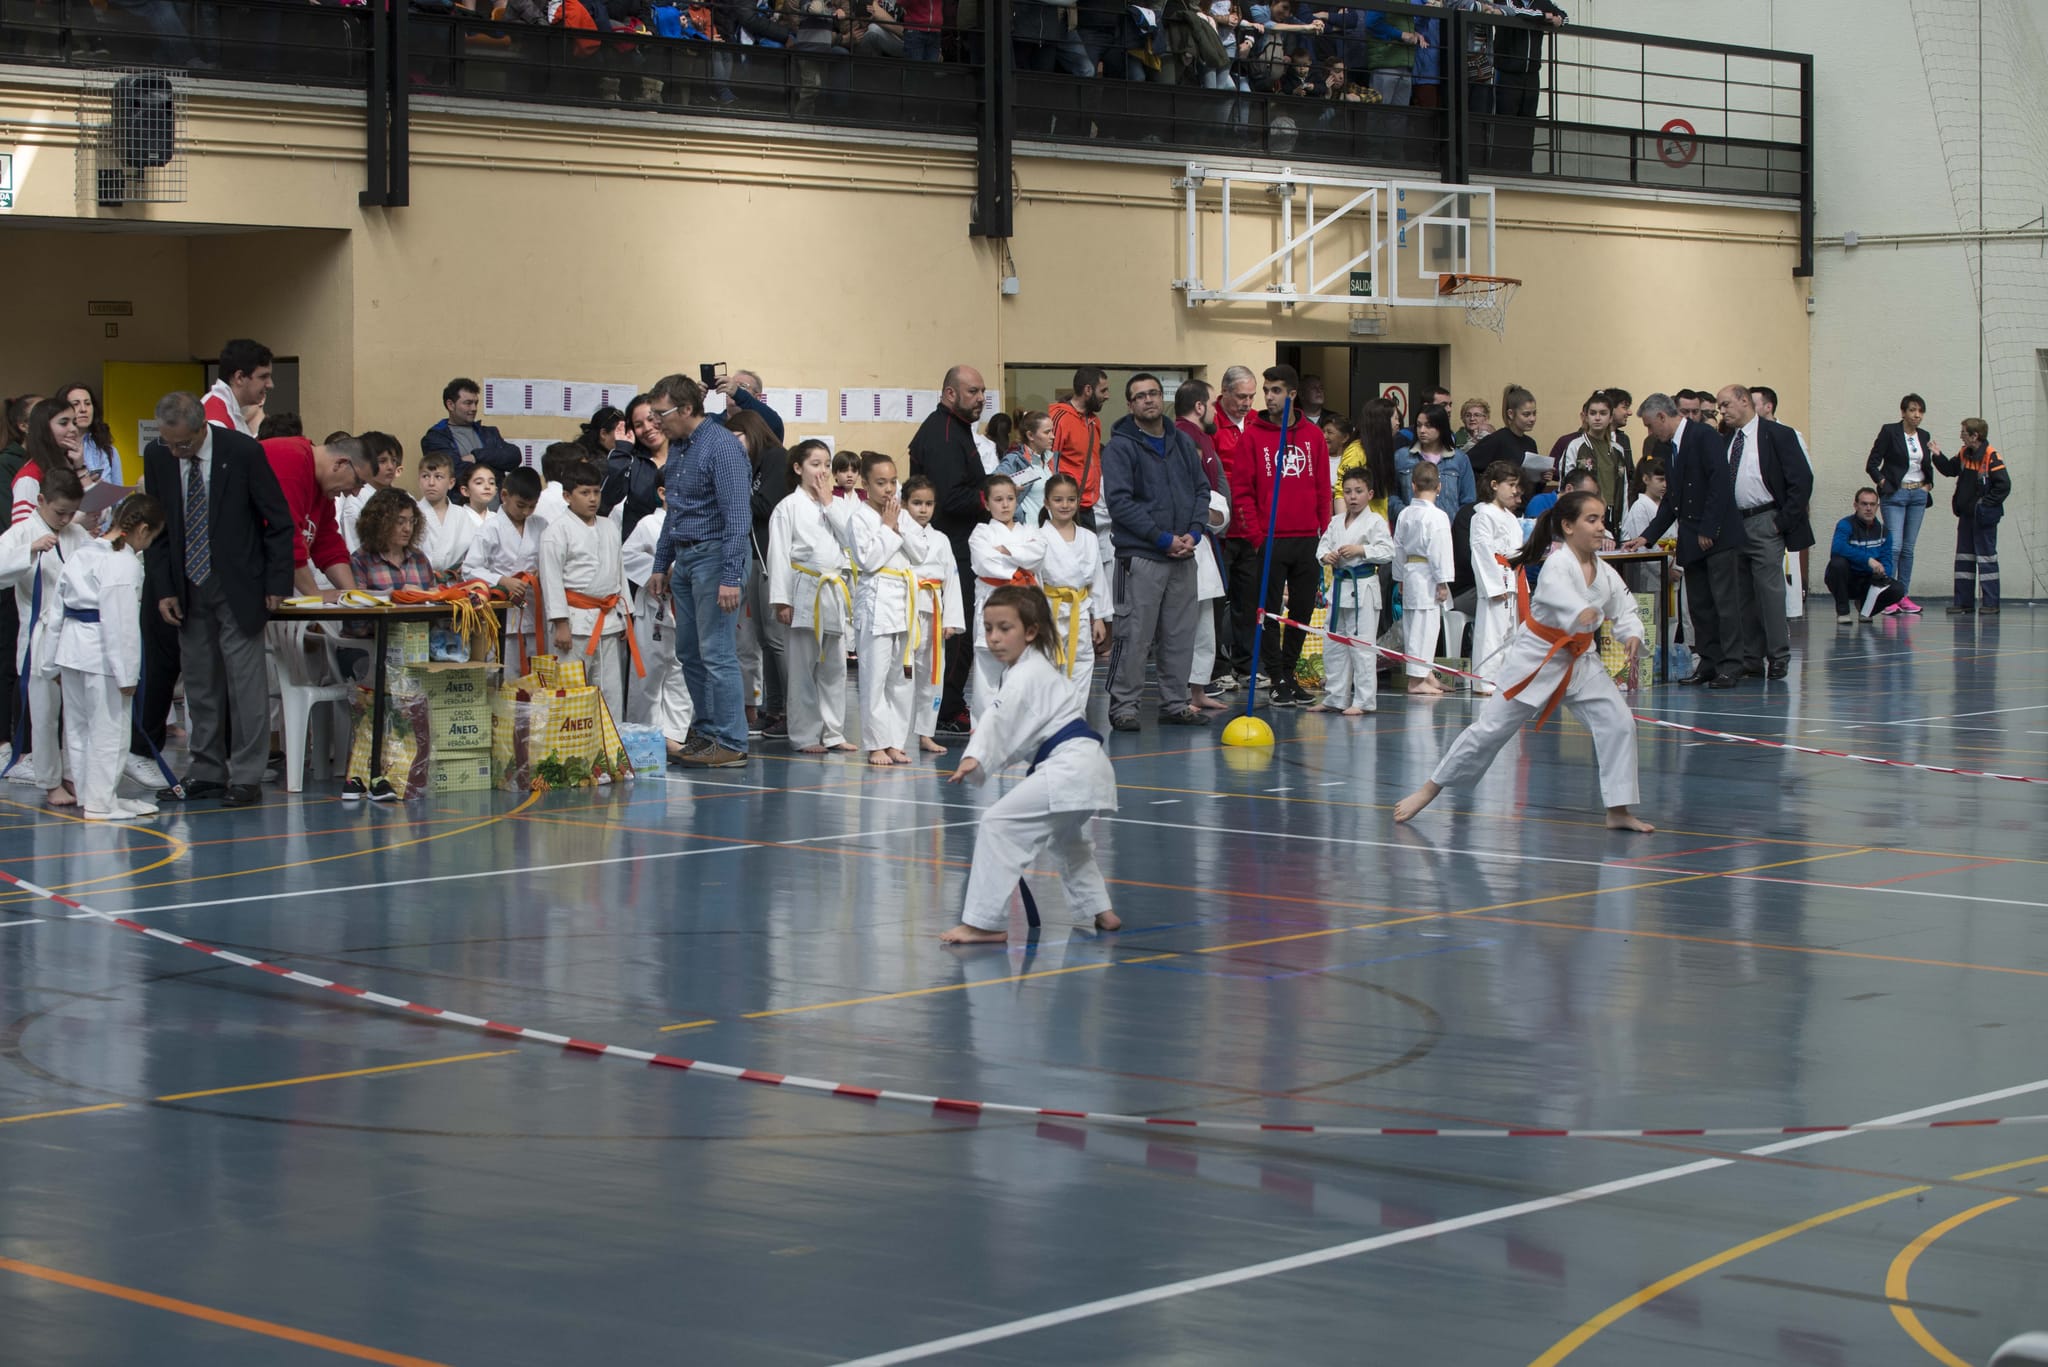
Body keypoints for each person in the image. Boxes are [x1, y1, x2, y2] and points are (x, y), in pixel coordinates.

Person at [1396, 490, 1654, 834]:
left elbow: (1624, 608)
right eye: (1591, 520)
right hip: (1536, 660)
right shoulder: (1557, 566)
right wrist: (1582, 612)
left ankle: (1618, 810)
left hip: (1580, 660)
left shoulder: (1604, 571)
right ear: (1568, 526)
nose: (1600, 527)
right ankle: (1430, 788)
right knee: (1490, 730)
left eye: (1602, 520)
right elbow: (1561, 598)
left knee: (1619, 723)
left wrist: (1631, 633)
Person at [938, 585, 1122, 945]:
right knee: (1068, 840)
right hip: (1090, 766)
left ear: (1031, 631)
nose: (994, 638)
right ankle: (1101, 908)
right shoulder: (1036, 669)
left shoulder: (1025, 675)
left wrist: (975, 756)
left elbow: (997, 718)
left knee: (997, 824)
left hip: (1068, 767)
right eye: (988, 628)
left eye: (1005, 628)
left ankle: (984, 923)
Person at [146, 391, 293, 807]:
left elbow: (278, 521)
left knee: (245, 684)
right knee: (199, 682)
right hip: (187, 585)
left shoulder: (242, 451)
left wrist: (277, 582)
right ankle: (206, 770)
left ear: (201, 429)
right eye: (168, 444)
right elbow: (156, 528)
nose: (175, 452)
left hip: (239, 583)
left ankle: (246, 775)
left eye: (183, 445)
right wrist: (164, 588)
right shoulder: (158, 455)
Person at [1102, 373, 1209, 730]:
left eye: (1154, 393)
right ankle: (1123, 707)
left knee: (1180, 636)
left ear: (1162, 398)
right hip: (1141, 557)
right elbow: (1120, 503)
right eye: (1140, 396)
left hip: (1184, 555)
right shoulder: (1120, 448)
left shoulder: (1182, 442)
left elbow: (1202, 490)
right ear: (1130, 404)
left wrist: (1194, 532)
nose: (1148, 400)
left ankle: (1175, 703)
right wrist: (1162, 539)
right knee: (1133, 636)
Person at [49, 493, 164, 822]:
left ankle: (92, 796)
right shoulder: (123, 562)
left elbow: (56, 609)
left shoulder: (83, 551)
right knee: (110, 730)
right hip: (102, 657)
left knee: (78, 730)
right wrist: (127, 674)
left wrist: (50, 660)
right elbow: (121, 623)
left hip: (71, 651)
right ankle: (102, 803)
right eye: (151, 538)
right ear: (142, 529)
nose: (147, 545)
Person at [1627, 392, 1744, 689]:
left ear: (1662, 417)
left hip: (1716, 535)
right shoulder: (1669, 448)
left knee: (1724, 603)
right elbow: (1672, 499)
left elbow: (1719, 483)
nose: (1650, 431)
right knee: (1700, 605)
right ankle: (1708, 662)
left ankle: (1731, 664)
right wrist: (1647, 536)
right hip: (1691, 536)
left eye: (1650, 425)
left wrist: (1709, 527)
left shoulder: (1704, 436)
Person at [1240, 365, 1332, 706]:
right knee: (1266, 611)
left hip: (1307, 539)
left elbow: (1322, 489)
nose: (1268, 397)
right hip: (1270, 539)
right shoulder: (1253, 435)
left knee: (1302, 611)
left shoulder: (1313, 436)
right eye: (1266, 390)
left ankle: (1290, 673)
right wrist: (1257, 536)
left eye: (1276, 390)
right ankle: (1275, 675)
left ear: (1292, 395)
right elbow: (1243, 492)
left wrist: (1324, 535)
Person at [907, 366, 990, 736]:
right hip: (948, 549)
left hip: (961, 545)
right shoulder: (941, 434)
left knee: (960, 630)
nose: (981, 398)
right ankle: (946, 708)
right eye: (973, 391)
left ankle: (947, 704)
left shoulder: (957, 429)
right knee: (956, 631)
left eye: (983, 392)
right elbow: (948, 498)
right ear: (950, 393)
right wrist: (991, 497)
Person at [0, 464, 90, 801]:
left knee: (77, 712)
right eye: (59, 512)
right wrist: (29, 550)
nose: (65, 519)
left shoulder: (77, 534)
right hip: (39, 635)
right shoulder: (21, 533)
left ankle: (73, 774)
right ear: (40, 500)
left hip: (76, 634)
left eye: (71, 513)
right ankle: (50, 781)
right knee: (44, 712)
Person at [830, 451, 924, 766]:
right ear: (865, 485)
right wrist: (888, 527)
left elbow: (921, 552)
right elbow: (869, 560)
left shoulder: (901, 514)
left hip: (903, 599)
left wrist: (897, 527)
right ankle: (876, 744)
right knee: (875, 676)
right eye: (881, 482)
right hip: (876, 598)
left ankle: (895, 741)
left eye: (893, 482)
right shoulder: (858, 517)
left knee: (901, 678)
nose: (888, 489)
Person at [1716, 383, 1813, 681]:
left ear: (1744, 401)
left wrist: (1781, 522)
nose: (1721, 411)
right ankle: (1751, 657)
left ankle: (1778, 655)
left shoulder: (1778, 435)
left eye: (1725, 405)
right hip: (1735, 522)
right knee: (1742, 593)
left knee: (1769, 592)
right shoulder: (1727, 439)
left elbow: (1802, 480)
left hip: (1765, 519)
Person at [768, 440, 855, 754]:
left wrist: (829, 503)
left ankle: (833, 732)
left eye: (827, 465)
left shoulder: (838, 505)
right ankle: (805, 734)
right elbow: (778, 555)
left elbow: (852, 541)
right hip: (804, 589)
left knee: (835, 666)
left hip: (834, 589)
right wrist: (782, 600)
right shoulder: (787, 507)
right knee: (803, 668)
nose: (823, 471)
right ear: (798, 468)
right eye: (815, 464)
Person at [541, 461, 636, 722]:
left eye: (596, 492)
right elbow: (551, 579)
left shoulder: (609, 526)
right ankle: (571, 741)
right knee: (571, 687)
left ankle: (611, 740)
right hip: (575, 621)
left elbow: (619, 571)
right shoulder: (556, 531)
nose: (592, 499)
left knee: (611, 689)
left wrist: (626, 613)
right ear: (567, 496)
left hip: (609, 617)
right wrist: (560, 623)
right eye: (584, 493)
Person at [725, 407, 788, 741]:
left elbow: (767, 506)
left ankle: (791, 710)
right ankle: (773, 709)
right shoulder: (748, 465)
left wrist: (733, 490)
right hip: (753, 557)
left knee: (777, 639)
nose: (733, 445)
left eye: (736, 437)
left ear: (750, 431)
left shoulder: (776, 458)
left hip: (770, 559)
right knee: (764, 639)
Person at [620, 493, 696, 763]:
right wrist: (660, 571)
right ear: (663, 492)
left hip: (684, 606)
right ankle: (644, 734)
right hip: (654, 607)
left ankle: (675, 735)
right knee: (648, 672)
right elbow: (627, 555)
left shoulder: (694, 522)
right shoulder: (648, 524)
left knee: (680, 672)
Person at [1310, 468, 1392, 715]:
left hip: (1363, 589)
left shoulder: (1375, 521)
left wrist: (1361, 550)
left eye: (1358, 491)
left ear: (1370, 494)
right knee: (1334, 644)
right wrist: (1326, 556)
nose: (1352, 497)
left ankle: (1364, 700)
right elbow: (1321, 547)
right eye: (1347, 492)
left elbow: (1388, 552)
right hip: (1338, 588)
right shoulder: (1336, 522)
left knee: (1361, 646)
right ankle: (1336, 697)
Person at [968, 472, 1047, 723]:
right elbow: (985, 562)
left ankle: (1021, 727)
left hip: (1025, 607)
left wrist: (1007, 550)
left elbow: (1038, 554)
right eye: (998, 499)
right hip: (993, 603)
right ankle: (984, 728)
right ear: (986, 503)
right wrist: (1020, 560)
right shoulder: (980, 533)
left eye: (1010, 499)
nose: (1005, 505)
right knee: (987, 674)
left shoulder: (1031, 530)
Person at [1174, 379, 1233, 711]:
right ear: (1199, 406)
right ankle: (1180, 691)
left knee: (1205, 627)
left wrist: (1209, 512)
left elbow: (1216, 504)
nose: (1215, 411)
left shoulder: (1203, 438)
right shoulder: (1182, 437)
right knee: (1181, 626)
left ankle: (1197, 689)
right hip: (1181, 543)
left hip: (1205, 542)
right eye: (1212, 404)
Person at [1037, 473, 1114, 714]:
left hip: (1079, 610)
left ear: (1078, 502)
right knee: (1047, 664)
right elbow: (1034, 580)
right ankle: (1049, 719)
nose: (1065, 505)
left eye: (1071, 500)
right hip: (1049, 610)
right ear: (1047, 503)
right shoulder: (1038, 537)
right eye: (1058, 500)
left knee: (1082, 662)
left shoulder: (1088, 538)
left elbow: (1097, 580)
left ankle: (1075, 717)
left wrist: (1099, 617)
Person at [901, 475, 965, 756]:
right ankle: (901, 735)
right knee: (904, 675)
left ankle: (926, 733)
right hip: (906, 609)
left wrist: (951, 620)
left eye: (928, 504)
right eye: (917, 503)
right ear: (904, 504)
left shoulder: (941, 539)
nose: (923, 509)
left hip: (934, 611)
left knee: (932, 675)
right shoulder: (897, 532)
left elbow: (951, 579)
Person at [464, 465, 549, 670]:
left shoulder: (541, 525)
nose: (526, 512)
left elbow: (551, 559)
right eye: (521, 505)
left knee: (538, 673)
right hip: (503, 612)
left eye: (532, 506)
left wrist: (543, 571)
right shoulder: (490, 528)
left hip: (535, 610)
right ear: (504, 495)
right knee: (505, 672)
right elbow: (470, 569)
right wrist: (502, 581)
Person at [262, 434, 365, 598]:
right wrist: (314, 593)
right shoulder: (291, 459)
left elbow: (327, 542)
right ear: (340, 463)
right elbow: (285, 537)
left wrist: (353, 596)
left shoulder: (323, 486)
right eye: (358, 482)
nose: (355, 492)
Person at [1932, 417, 2010, 615]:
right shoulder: (1964, 453)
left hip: (1984, 517)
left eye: (1964, 433)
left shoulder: (1991, 456)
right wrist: (1937, 455)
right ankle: (1963, 602)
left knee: (1986, 559)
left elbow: (2004, 486)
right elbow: (1950, 470)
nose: (1961, 436)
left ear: (1975, 436)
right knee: (1964, 559)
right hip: (1966, 516)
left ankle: (1991, 603)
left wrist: (1984, 504)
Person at [1213, 364, 1261, 685]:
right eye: (1241, 396)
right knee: (1217, 601)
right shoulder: (1212, 423)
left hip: (1251, 526)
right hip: (1221, 528)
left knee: (1248, 600)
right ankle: (1217, 667)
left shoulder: (1258, 422)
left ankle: (1246, 666)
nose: (1247, 403)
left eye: (1251, 396)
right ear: (1225, 392)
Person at [1394, 461, 1454, 695]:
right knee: (1425, 629)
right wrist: (1442, 582)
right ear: (1439, 487)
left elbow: (1398, 548)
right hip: (1428, 575)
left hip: (1410, 571)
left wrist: (1400, 577)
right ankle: (1416, 681)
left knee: (1415, 627)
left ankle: (1425, 674)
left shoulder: (1404, 514)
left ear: (1413, 485)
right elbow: (1440, 552)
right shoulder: (1438, 516)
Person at [1467, 459, 1523, 697]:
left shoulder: (1510, 516)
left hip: (1512, 575)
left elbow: (1517, 551)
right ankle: (1485, 680)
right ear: (1494, 485)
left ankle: (1506, 678)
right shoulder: (1482, 515)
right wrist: (1494, 585)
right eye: (1510, 484)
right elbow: (1481, 550)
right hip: (1497, 576)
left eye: (1516, 485)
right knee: (1491, 632)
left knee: (1511, 632)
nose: (1515, 490)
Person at [1824, 488, 1905, 623]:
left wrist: (1883, 572)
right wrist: (1868, 560)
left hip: (1869, 581)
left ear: (1877, 507)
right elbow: (1837, 548)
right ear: (1856, 506)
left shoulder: (1884, 531)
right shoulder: (1845, 524)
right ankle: (1843, 612)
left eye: (1872, 504)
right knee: (1837, 563)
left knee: (1898, 589)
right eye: (1864, 504)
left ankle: (1866, 610)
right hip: (1847, 579)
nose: (1868, 508)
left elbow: (1887, 560)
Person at [1558, 390, 1632, 533]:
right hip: (1583, 514)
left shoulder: (1618, 450)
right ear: (1586, 417)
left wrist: (1625, 531)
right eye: (1593, 413)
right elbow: (1565, 487)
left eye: (1603, 413)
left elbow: (1624, 489)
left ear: (1610, 417)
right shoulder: (1575, 446)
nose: (1597, 418)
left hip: (1613, 515)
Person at [421, 378, 523, 480]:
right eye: (468, 403)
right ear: (450, 405)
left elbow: (514, 456)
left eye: (476, 403)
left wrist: (476, 457)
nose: (474, 408)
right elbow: (454, 473)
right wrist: (495, 466)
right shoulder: (435, 438)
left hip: (496, 491)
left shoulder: (489, 433)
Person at [10, 397, 86, 528]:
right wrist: (75, 524)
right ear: (44, 428)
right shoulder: (29, 477)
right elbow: (23, 531)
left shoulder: (72, 464)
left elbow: (100, 511)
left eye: (74, 422)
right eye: (64, 423)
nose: (73, 429)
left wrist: (80, 467)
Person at [1050, 366, 1109, 530]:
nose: (1107, 396)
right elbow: (1049, 463)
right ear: (1088, 390)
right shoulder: (1060, 418)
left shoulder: (1094, 422)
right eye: (1103, 390)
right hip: (1065, 507)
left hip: (1088, 508)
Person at [348, 488, 437, 595]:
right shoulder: (360, 561)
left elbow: (434, 597)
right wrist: (398, 596)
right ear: (380, 523)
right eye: (400, 521)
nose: (408, 528)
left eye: (412, 521)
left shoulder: (419, 558)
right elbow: (358, 601)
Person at [606, 395, 671, 541]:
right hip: (640, 549)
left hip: (687, 548)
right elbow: (608, 498)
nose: (647, 428)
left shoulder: (687, 455)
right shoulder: (631, 462)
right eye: (639, 425)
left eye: (651, 419)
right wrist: (622, 451)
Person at [1395, 404, 1474, 519]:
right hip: (1411, 524)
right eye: (1419, 425)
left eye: (1428, 426)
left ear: (1441, 427)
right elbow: (1392, 495)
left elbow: (1468, 500)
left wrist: (1458, 523)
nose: (1422, 430)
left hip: (1448, 526)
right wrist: (1405, 513)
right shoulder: (1402, 457)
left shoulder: (1459, 459)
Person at [413, 449, 475, 581]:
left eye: (438, 477)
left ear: (451, 483)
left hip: (455, 582)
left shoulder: (462, 515)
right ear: (419, 480)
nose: (431, 482)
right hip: (420, 581)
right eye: (425, 476)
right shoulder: (412, 513)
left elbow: (472, 553)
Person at [340, 432, 404, 553]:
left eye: (394, 460)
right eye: (382, 461)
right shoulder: (356, 501)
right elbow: (354, 549)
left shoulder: (404, 498)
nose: (390, 467)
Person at [1467, 382, 1541, 483]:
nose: (1532, 419)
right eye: (1526, 414)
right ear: (1511, 414)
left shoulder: (1531, 443)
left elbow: (1532, 485)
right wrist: (1489, 487)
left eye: (1534, 413)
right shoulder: (1497, 440)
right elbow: (1466, 465)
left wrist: (1541, 479)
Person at [996, 410, 1057, 526]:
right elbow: (992, 485)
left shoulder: (1051, 459)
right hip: (1027, 531)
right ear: (1030, 435)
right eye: (1047, 432)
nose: (1053, 436)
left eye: (1052, 431)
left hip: (1050, 530)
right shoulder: (1015, 460)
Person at [202, 338, 272, 437]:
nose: (270, 384)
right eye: (263, 377)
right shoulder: (216, 422)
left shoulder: (232, 412)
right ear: (239, 377)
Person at [62, 383, 122, 486]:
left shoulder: (108, 450)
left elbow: (119, 493)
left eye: (88, 403)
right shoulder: (57, 449)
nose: (83, 409)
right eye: (76, 404)